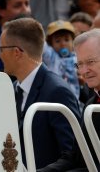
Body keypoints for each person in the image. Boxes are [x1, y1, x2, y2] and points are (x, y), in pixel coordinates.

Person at [0, 17, 80, 168]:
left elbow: (72, 155)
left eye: (1, 49)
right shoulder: (12, 89)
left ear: (16, 52)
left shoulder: (57, 92)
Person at [39, 29, 100, 171]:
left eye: (90, 62)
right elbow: (76, 156)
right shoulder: (91, 104)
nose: (84, 71)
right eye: (79, 64)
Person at [43, 20, 80, 100]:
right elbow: (42, 45)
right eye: (57, 41)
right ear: (50, 44)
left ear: (73, 41)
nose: (63, 44)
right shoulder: (51, 57)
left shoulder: (77, 58)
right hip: (54, 98)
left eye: (67, 40)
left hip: (73, 98)